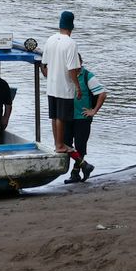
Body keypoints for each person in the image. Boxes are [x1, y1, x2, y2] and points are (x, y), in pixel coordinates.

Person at [40, 10, 93, 177]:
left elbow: (43, 65)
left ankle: (75, 157)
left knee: (55, 117)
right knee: (61, 118)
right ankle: (60, 145)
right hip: (65, 89)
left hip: (52, 88)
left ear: (59, 24)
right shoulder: (71, 43)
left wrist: (50, 76)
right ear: (72, 26)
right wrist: (77, 87)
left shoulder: (50, 40)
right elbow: (72, 70)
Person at [63, 54, 106, 183]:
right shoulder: (66, 75)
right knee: (64, 144)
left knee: (80, 146)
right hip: (68, 116)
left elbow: (102, 94)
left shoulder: (87, 76)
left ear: (81, 63)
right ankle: (84, 166)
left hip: (82, 117)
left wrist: (93, 111)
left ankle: (75, 173)